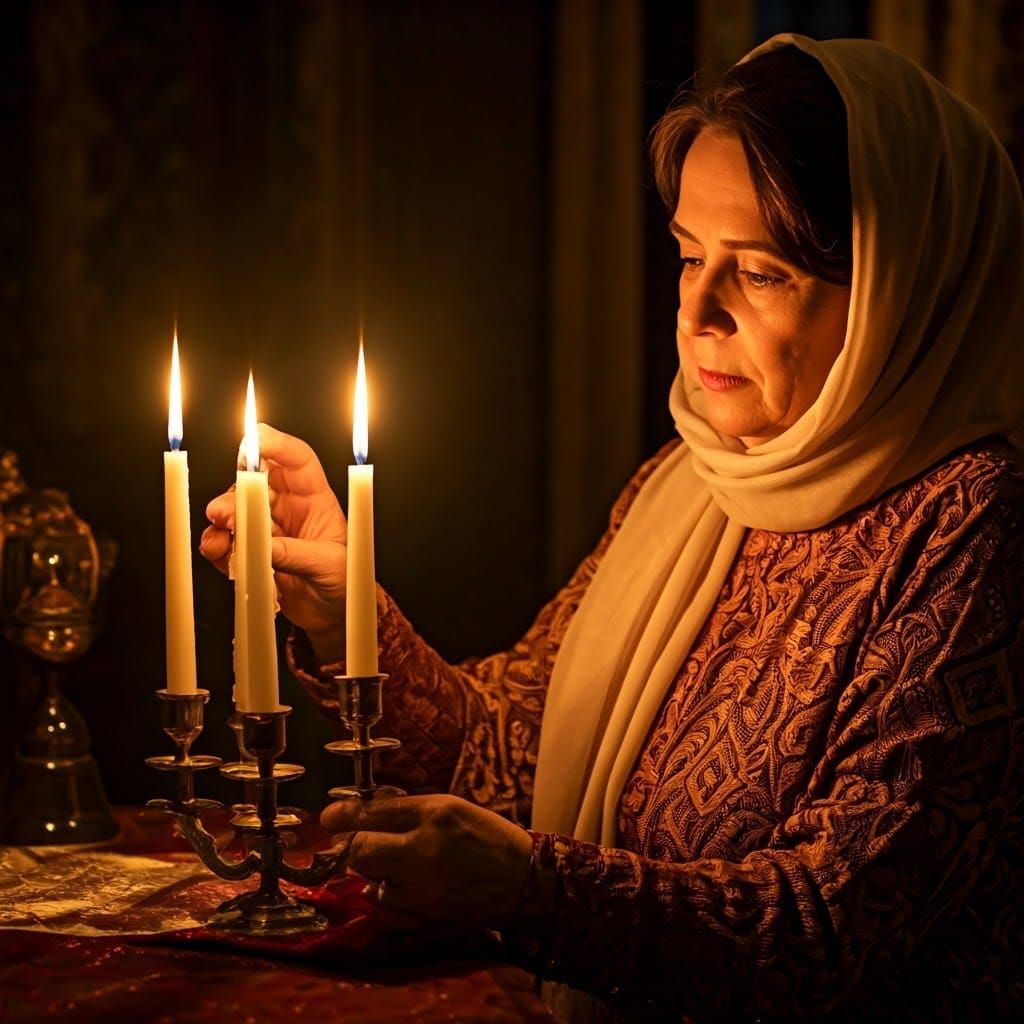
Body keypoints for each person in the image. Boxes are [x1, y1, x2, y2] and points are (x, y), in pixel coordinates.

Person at [200, 34, 1024, 1023]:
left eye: (762, 273)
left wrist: (532, 892)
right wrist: (348, 620)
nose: (698, 308)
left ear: (906, 291)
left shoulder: (974, 531)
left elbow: (830, 932)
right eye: (689, 254)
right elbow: (509, 761)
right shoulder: (688, 484)